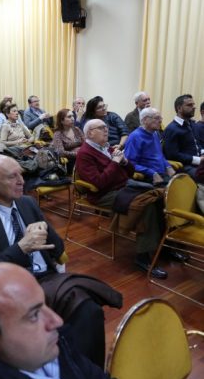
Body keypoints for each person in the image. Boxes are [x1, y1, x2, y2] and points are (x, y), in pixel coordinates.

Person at [0, 154, 123, 368]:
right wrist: (21, 248)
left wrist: (46, 232)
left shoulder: (27, 203)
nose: (22, 180)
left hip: (46, 277)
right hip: (11, 287)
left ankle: (88, 372)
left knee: (89, 311)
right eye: (13, 176)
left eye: (21, 173)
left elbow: (59, 248)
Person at [76, 119, 187, 279]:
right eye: (101, 128)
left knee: (160, 198)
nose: (106, 130)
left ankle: (164, 247)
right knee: (146, 205)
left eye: (106, 127)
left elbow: (129, 172)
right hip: (104, 194)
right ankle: (143, 257)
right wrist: (114, 163)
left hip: (124, 185)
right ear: (90, 133)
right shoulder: (84, 153)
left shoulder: (107, 147)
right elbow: (98, 183)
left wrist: (125, 161)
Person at [124, 107, 175, 184]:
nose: (160, 121)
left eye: (160, 118)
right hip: (149, 177)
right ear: (145, 120)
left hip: (162, 174)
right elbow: (130, 164)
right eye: (157, 118)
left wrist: (168, 166)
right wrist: (152, 173)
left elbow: (159, 155)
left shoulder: (154, 133)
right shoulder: (135, 137)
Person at [163, 94, 203, 178]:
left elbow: (197, 144)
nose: (194, 107)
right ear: (179, 108)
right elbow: (172, 155)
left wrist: (203, 153)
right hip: (185, 166)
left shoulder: (192, 124)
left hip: (199, 163)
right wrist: (198, 160)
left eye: (193, 104)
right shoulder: (171, 129)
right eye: (189, 105)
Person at [51, 108, 85, 173]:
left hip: (83, 156)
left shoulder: (76, 129)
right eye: (69, 117)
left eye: (73, 116)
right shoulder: (58, 134)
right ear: (62, 121)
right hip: (70, 160)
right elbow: (60, 152)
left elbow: (85, 143)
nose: (73, 118)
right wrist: (77, 154)